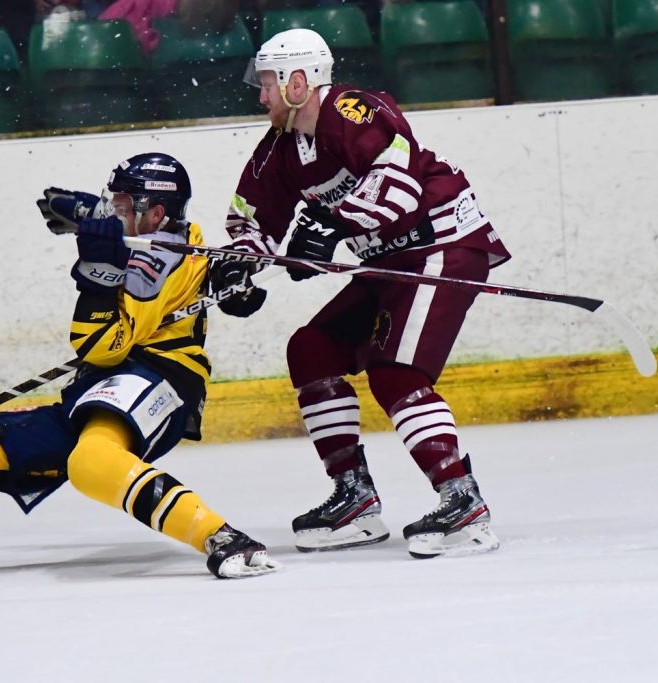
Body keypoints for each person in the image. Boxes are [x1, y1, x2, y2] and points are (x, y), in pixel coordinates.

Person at [0, 153, 279, 579]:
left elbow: (105, 346)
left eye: (121, 205)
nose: (111, 212)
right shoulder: (151, 237)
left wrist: (98, 276)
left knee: (91, 461)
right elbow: (105, 353)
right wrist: (87, 214)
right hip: (107, 384)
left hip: (161, 379)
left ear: (155, 213)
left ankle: (222, 536)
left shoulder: (158, 261)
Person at [209, 29, 511, 559]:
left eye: (267, 85)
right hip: (389, 261)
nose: (260, 97)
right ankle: (355, 499)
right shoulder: (278, 149)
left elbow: (399, 188)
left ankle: (462, 501)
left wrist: (329, 225)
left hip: (440, 244)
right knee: (311, 349)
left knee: (395, 371)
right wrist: (243, 268)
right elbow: (246, 217)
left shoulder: (356, 110)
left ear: (298, 81)